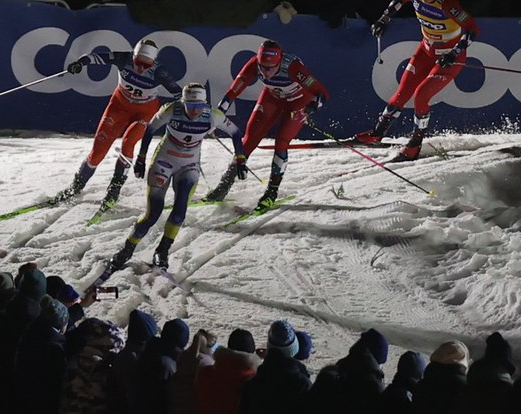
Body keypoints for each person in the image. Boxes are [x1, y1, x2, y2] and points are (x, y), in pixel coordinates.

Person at [107, 83, 246, 270]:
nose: (195, 111)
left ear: (204, 104)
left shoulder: (213, 115)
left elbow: (236, 133)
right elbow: (149, 129)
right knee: (152, 214)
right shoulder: (172, 109)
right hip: (164, 160)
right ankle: (127, 249)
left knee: (179, 213)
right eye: (190, 106)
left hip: (189, 166)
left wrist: (240, 159)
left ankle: (162, 251)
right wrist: (141, 158)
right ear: (183, 102)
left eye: (199, 106)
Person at [351, 0, 479, 161]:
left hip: (448, 58)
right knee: (402, 92)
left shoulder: (448, 3)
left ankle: (415, 144)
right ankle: (377, 133)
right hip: (426, 51)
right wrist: (383, 20)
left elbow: (472, 29)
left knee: (421, 95)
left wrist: (454, 53)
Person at [202, 39, 328, 208]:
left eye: (270, 68)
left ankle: (271, 192)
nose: (266, 72)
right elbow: (233, 91)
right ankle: (223, 186)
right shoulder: (255, 63)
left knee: (281, 141)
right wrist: (219, 112)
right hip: (273, 97)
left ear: (279, 61)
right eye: (262, 67)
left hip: (298, 101)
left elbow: (322, 93)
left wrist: (308, 110)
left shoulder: (293, 68)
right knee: (250, 138)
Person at [62, 38, 182, 208]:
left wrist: (183, 110)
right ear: (133, 56)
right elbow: (93, 57)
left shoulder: (160, 72)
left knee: (128, 143)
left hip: (144, 112)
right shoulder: (123, 58)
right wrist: (80, 63)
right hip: (118, 106)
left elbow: (178, 93)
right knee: (97, 152)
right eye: (138, 63)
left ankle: (114, 190)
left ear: (153, 62)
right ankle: (76, 187)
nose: (141, 68)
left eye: (146, 65)